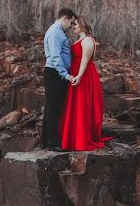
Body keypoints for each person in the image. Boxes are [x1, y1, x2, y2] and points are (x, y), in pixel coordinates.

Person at [59, 16, 113, 151]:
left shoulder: (88, 40)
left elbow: (85, 59)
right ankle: (73, 138)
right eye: (73, 25)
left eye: (76, 25)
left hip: (84, 76)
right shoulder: (79, 39)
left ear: (82, 25)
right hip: (77, 74)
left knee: (82, 105)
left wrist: (79, 76)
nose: (73, 27)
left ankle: (81, 140)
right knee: (76, 105)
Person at [41, 8, 77, 150]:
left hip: (55, 73)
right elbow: (55, 56)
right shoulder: (55, 32)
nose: (71, 26)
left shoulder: (58, 31)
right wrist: (65, 74)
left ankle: (46, 140)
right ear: (65, 18)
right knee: (53, 108)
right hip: (55, 73)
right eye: (71, 22)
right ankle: (53, 143)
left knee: (52, 107)